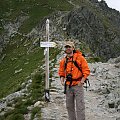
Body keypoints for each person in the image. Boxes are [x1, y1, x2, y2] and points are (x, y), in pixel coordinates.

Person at [58, 41, 90, 120]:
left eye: (69, 47)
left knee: (80, 106)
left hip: (78, 85)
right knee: (69, 106)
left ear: (73, 48)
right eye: (66, 47)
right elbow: (61, 72)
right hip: (68, 85)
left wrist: (82, 81)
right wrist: (62, 80)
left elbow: (86, 70)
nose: (68, 48)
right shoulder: (63, 61)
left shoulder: (80, 58)